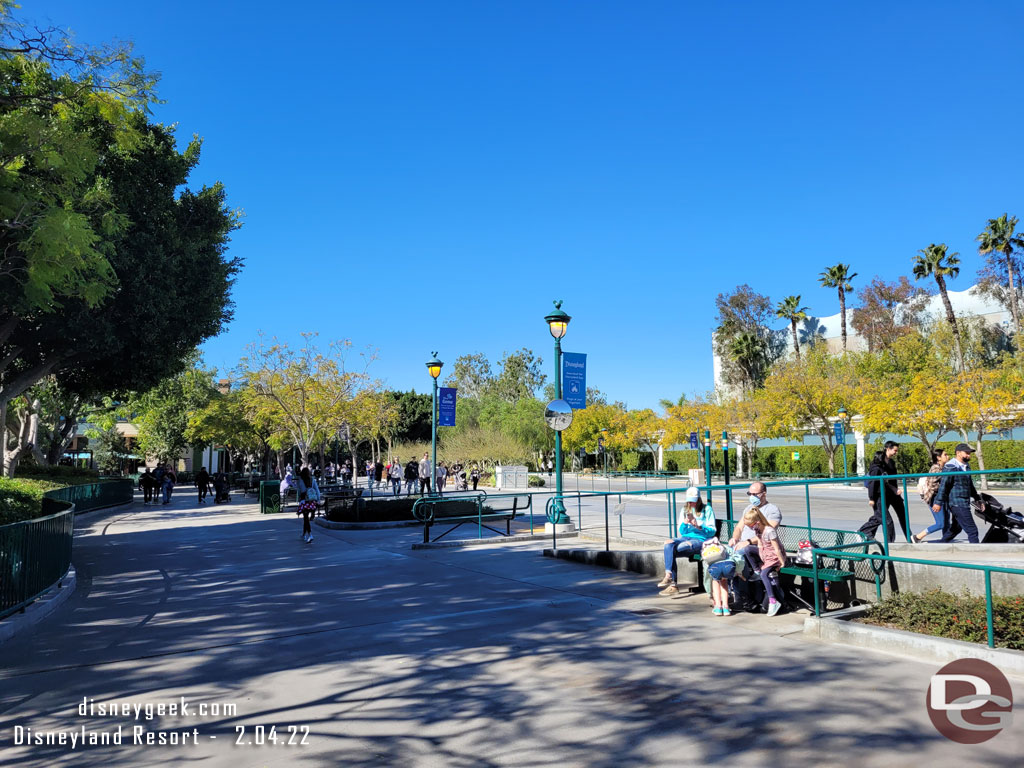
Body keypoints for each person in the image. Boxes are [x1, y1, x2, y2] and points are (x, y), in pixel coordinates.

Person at [657, 486, 716, 597]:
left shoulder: (707, 509)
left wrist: (699, 526)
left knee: (674, 550)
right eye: (689, 501)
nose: (691, 503)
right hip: (686, 537)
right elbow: (682, 531)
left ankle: (673, 585)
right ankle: (668, 575)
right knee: (668, 543)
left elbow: (712, 531)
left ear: (698, 499)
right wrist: (685, 523)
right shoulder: (684, 510)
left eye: (693, 501)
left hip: (700, 540)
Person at [858, 441, 909, 542]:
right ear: (888, 449)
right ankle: (889, 544)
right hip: (879, 495)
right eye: (895, 450)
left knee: (881, 517)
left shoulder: (891, 463)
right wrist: (871, 498)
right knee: (887, 521)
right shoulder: (877, 465)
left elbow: (891, 480)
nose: (896, 453)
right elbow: (873, 482)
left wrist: (895, 490)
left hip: (891, 494)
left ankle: (909, 537)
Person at [935, 443, 985, 543]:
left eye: (969, 453)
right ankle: (977, 554)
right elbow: (944, 485)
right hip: (957, 503)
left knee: (956, 529)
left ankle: (940, 545)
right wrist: (938, 502)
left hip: (963, 502)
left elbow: (970, 485)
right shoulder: (951, 467)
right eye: (966, 453)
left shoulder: (966, 466)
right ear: (958, 453)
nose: (969, 455)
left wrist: (977, 498)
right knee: (972, 531)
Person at [746, 507, 786, 616]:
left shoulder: (769, 531)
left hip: (774, 556)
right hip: (765, 553)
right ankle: (756, 571)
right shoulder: (757, 529)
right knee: (747, 549)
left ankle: (773, 601)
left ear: (757, 522)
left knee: (765, 574)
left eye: (750, 526)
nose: (750, 528)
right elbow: (759, 544)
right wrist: (761, 556)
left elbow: (777, 549)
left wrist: (782, 562)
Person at [912, 449, 950, 543]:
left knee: (946, 522)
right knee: (940, 523)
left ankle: (945, 540)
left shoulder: (943, 467)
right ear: (938, 457)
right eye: (945, 455)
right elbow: (932, 484)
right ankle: (918, 537)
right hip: (935, 497)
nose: (947, 456)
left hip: (942, 497)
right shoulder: (935, 468)